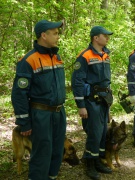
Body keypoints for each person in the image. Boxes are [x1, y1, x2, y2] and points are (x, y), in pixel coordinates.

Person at [11, 20, 66, 180]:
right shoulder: (28, 60)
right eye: (55, 33)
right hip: (41, 115)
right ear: (43, 35)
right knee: (42, 153)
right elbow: (19, 93)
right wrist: (24, 122)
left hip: (59, 112)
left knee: (57, 152)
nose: (58, 36)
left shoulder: (57, 56)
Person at [71, 26, 113, 180]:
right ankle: (89, 163)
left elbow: (107, 81)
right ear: (96, 38)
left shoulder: (106, 55)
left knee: (102, 133)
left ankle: (97, 161)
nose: (107, 38)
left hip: (103, 100)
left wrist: (109, 103)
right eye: (105, 35)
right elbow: (77, 82)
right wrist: (81, 105)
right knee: (94, 133)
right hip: (91, 101)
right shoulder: (84, 56)